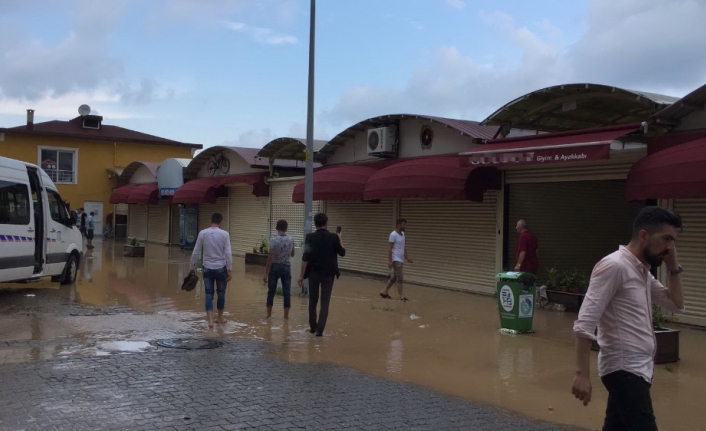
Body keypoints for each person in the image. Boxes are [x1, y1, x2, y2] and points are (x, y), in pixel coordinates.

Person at [572, 206, 684, 431]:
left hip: (639, 370)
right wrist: (582, 374)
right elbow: (584, 323)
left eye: (673, 241)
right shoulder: (614, 266)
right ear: (643, 236)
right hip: (624, 371)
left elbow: (675, 304)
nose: (670, 247)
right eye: (666, 239)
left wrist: (673, 267)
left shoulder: (641, 270)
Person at [297, 213, 345, 337]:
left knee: (313, 300)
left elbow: (305, 257)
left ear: (315, 223)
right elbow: (342, 253)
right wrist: (340, 238)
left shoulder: (309, 237)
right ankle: (320, 331)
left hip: (313, 273)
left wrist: (301, 275)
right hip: (329, 274)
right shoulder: (333, 237)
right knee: (325, 301)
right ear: (326, 223)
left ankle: (313, 327)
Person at [189, 212, 232, 328]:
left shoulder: (203, 233)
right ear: (221, 222)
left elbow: (196, 252)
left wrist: (191, 267)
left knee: (209, 293)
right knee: (221, 293)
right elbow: (228, 253)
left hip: (207, 268)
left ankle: (210, 321)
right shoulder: (225, 234)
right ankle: (220, 318)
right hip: (221, 268)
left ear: (211, 221)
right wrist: (229, 269)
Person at [263, 219, 295, 319]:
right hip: (286, 267)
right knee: (287, 292)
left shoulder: (273, 240)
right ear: (286, 228)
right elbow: (292, 254)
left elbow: (270, 257)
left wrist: (265, 273)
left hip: (274, 267)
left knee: (271, 291)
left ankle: (269, 315)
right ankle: (286, 316)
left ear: (277, 228)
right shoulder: (291, 239)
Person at [379, 218, 413, 301]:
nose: (405, 226)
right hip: (396, 259)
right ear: (398, 225)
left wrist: (407, 257)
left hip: (401, 259)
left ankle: (384, 291)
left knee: (394, 277)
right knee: (400, 276)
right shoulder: (393, 235)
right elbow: (389, 248)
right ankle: (401, 296)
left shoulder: (403, 234)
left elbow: (404, 247)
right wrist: (390, 261)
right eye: (403, 224)